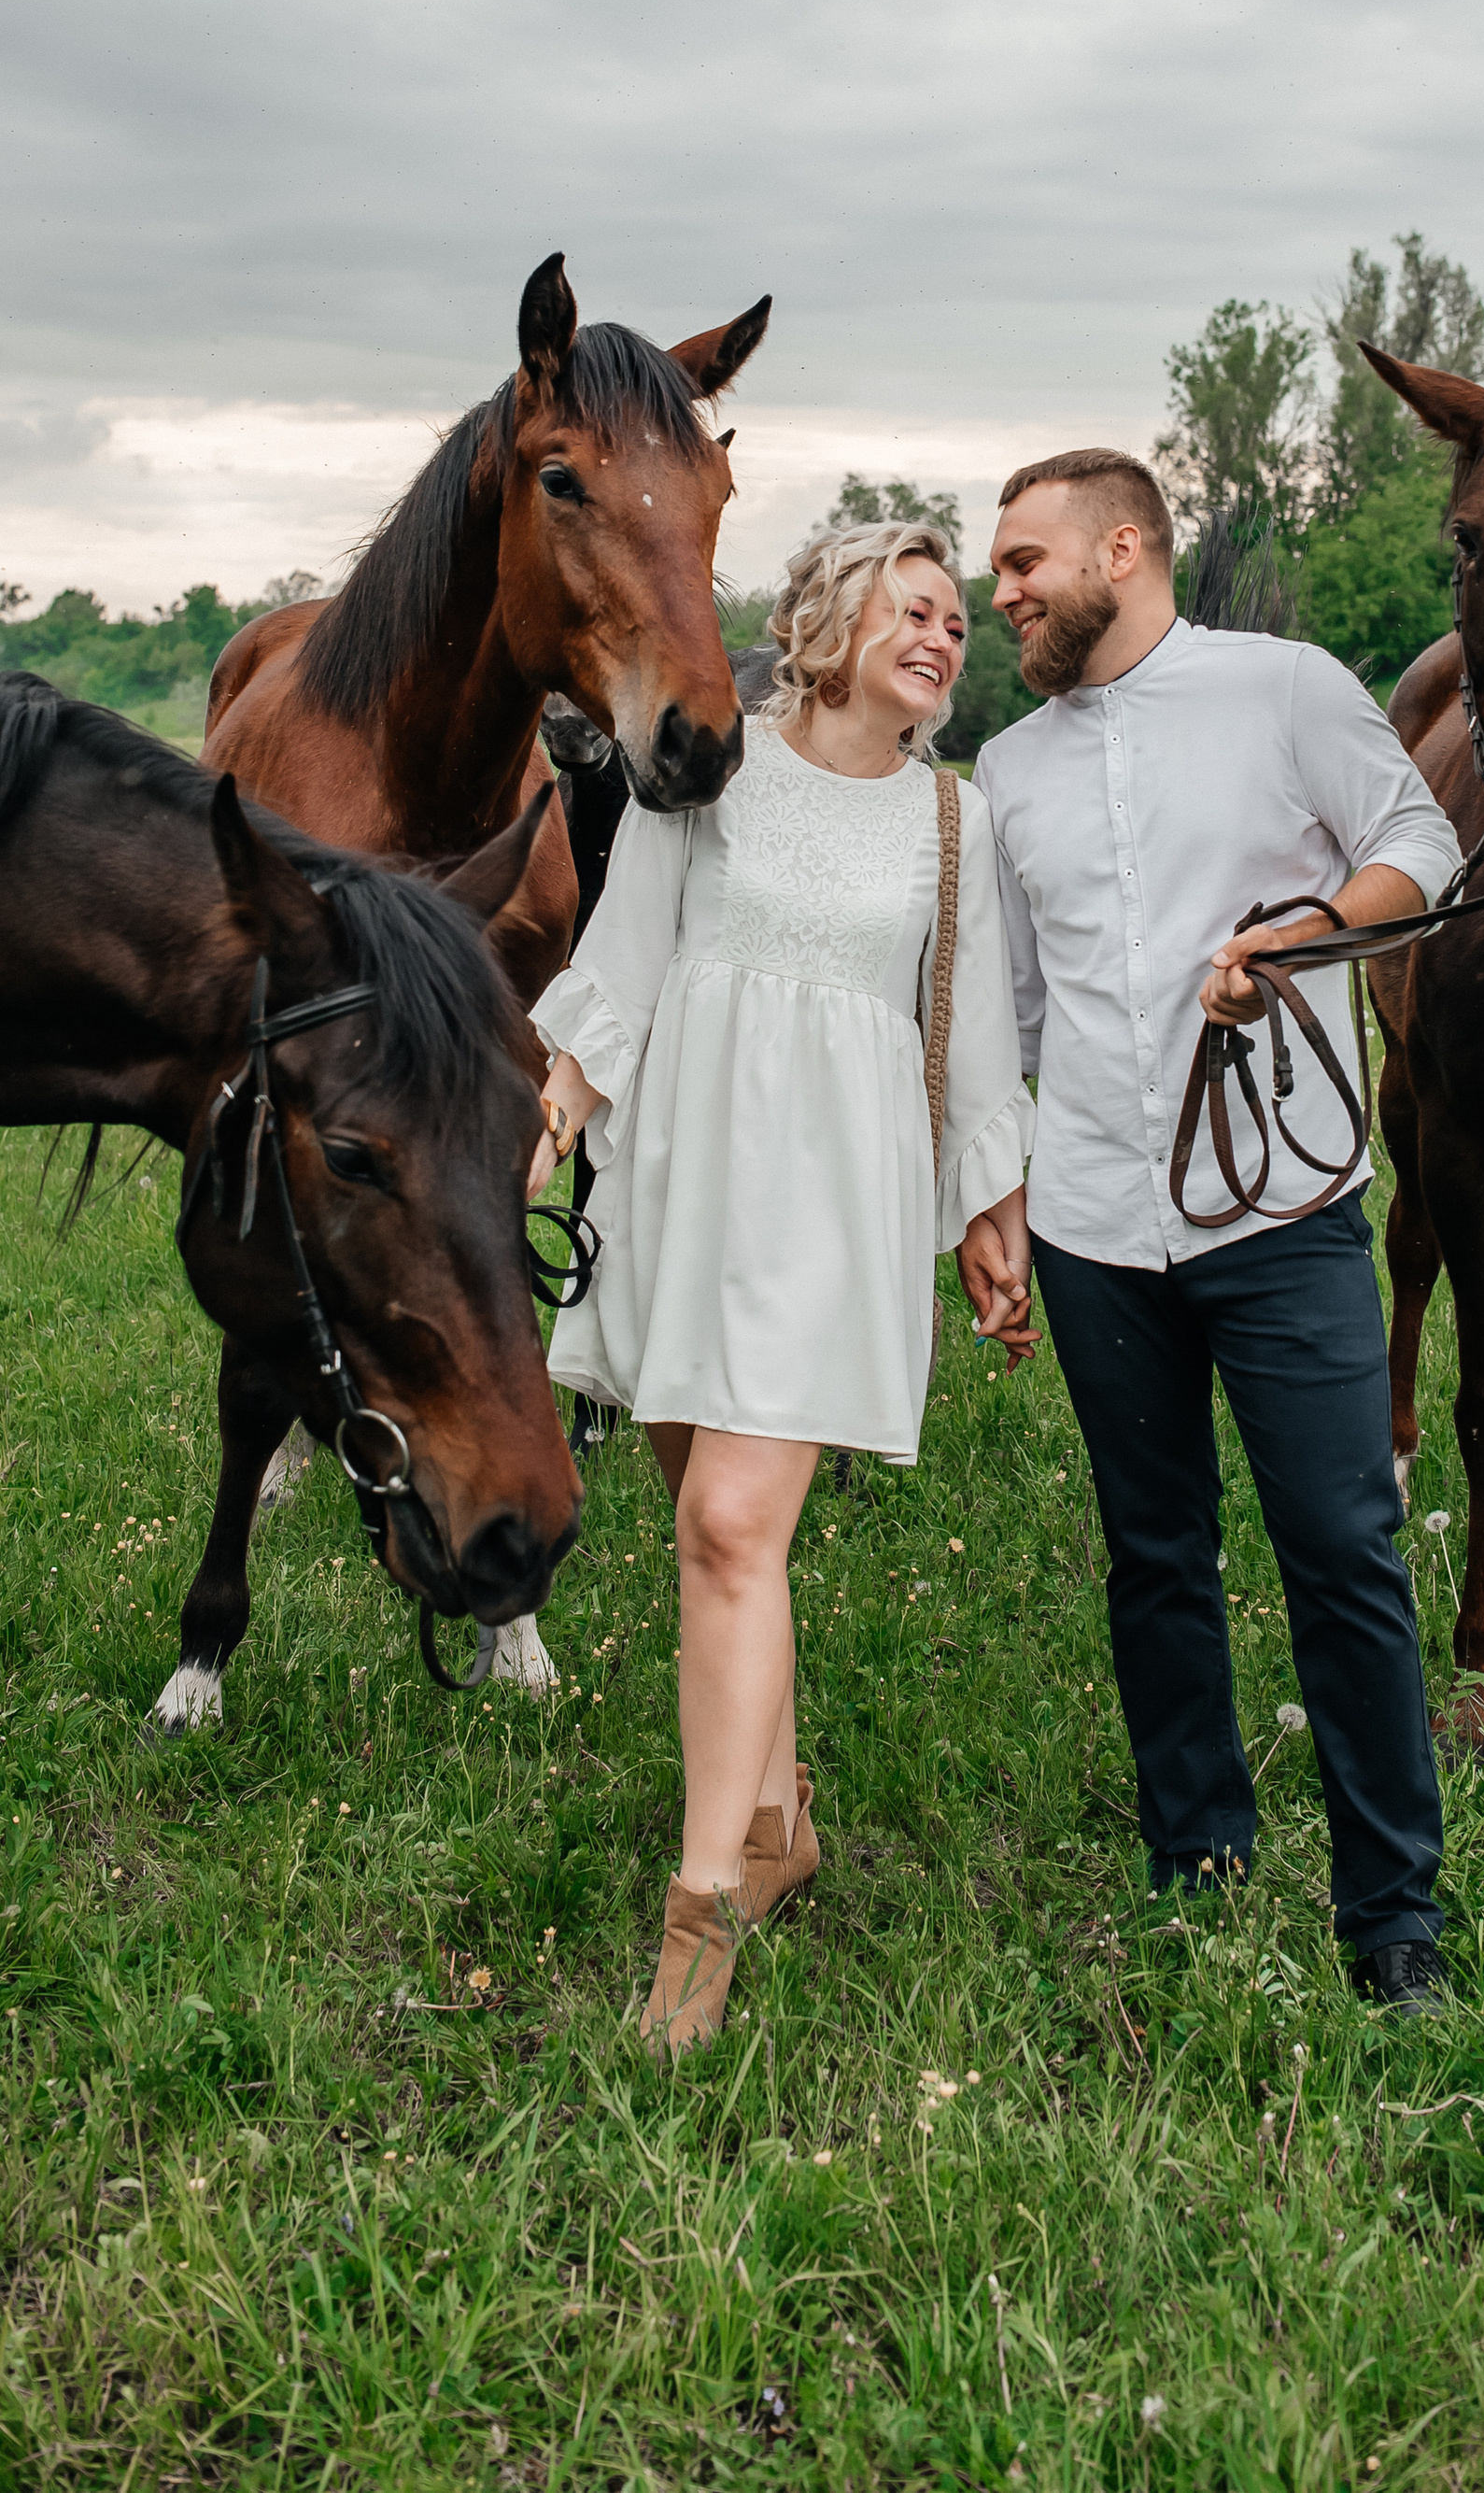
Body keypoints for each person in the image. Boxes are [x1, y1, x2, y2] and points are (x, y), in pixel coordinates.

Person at [960, 450, 1464, 2015]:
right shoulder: (1009, 770)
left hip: (1286, 1199)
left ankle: (1393, 1912)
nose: (1005, 590)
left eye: (1029, 558)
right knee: (1154, 1552)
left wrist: (1302, 935)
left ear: (1128, 544)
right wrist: (1002, 1192)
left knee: (1341, 1547)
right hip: (1098, 1220)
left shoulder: (1285, 687)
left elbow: (1424, 851)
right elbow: (1015, 1006)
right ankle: (1200, 1852)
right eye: (999, 567)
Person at [528, 520, 1034, 2052]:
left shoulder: (954, 821)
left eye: (957, 621)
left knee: (731, 1525)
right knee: (706, 1518)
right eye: (916, 606)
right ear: (834, 614)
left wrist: (990, 1210)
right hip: (686, 1176)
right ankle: (775, 1816)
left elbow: (986, 1030)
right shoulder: (716, 768)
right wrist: (562, 1097)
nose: (944, 634)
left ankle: (698, 1922)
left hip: (834, 1203)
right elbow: (627, 950)